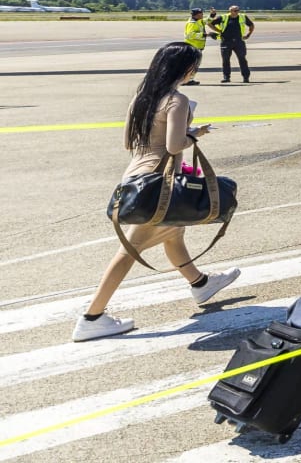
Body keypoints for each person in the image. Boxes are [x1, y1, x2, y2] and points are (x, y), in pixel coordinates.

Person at [74, 42, 241, 341]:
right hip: (156, 182)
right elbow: (174, 146)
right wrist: (193, 134)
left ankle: (200, 284)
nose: (194, 72)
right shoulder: (177, 100)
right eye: (194, 67)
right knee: (130, 249)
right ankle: (92, 317)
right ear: (184, 69)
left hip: (135, 175)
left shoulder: (141, 98)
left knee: (173, 233)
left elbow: (129, 142)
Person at [209, 5, 254, 84]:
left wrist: (248, 35)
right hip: (226, 41)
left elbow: (251, 25)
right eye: (235, 10)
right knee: (225, 60)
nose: (237, 12)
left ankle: (246, 77)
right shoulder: (223, 17)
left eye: (238, 10)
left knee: (242, 59)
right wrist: (219, 31)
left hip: (239, 41)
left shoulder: (243, 17)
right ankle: (226, 77)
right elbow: (210, 24)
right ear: (230, 11)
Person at [181, 10, 207, 85]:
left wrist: (212, 15)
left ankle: (189, 79)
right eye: (201, 14)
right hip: (192, 47)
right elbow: (190, 35)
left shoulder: (198, 21)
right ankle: (185, 80)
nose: (202, 15)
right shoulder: (192, 23)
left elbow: (206, 21)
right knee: (191, 65)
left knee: (194, 65)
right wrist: (204, 35)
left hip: (197, 47)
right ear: (196, 15)